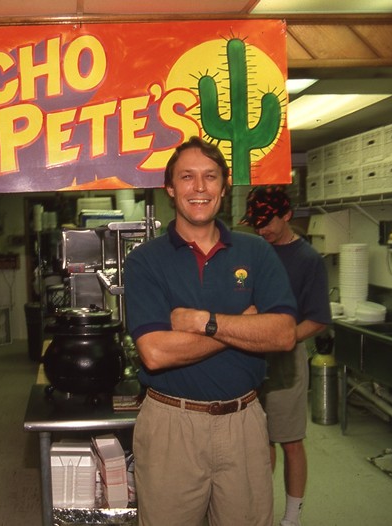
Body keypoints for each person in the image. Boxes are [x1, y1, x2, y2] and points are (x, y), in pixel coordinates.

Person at [123, 136, 298, 526]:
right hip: (171, 425)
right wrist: (245, 324)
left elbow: (284, 334)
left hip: (245, 423)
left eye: (210, 177)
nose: (199, 188)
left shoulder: (256, 252)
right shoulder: (145, 261)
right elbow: (155, 352)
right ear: (170, 189)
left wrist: (207, 322)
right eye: (187, 177)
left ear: (223, 186)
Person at [240, 185, 332, 526]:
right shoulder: (252, 251)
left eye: (268, 222)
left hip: (286, 359)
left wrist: (284, 337)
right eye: (257, 222)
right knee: (260, 441)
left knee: (289, 439)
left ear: (288, 215)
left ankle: (292, 517)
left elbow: (319, 319)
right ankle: (260, 510)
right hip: (249, 354)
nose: (262, 229)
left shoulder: (308, 260)